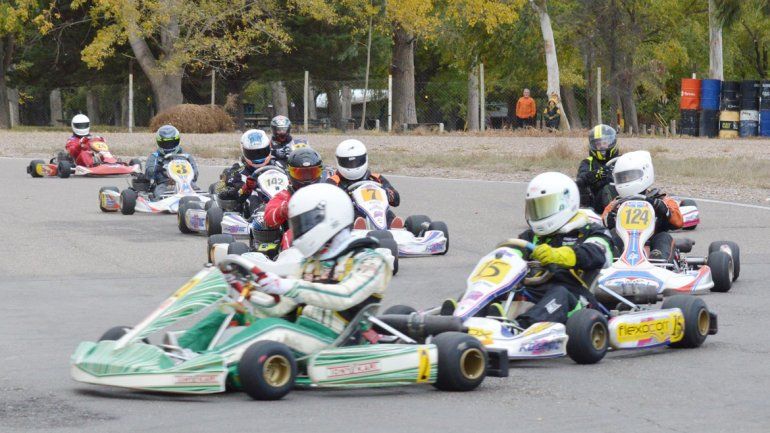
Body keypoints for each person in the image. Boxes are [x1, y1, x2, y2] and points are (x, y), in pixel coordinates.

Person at [178, 183, 392, 356]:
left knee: (274, 329)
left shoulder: (371, 260)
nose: (300, 230)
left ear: (331, 218)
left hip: (333, 340)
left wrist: (288, 286)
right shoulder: (311, 262)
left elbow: (346, 295)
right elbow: (280, 308)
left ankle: (207, 364)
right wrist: (252, 292)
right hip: (301, 329)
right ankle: (177, 353)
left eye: (304, 224)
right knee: (232, 310)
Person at [443, 172, 613, 327]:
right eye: (535, 208)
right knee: (500, 289)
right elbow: (513, 252)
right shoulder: (532, 237)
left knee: (559, 293)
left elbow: (598, 254)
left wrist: (557, 255)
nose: (538, 213)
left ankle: (521, 327)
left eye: (544, 206)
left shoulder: (591, 230)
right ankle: (462, 317)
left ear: (565, 204)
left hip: (576, 298)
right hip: (536, 289)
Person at [602, 150, 683, 261]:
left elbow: (678, 222)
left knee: (664, 237)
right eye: (622, 178)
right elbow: (604, 220)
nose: (626, 180)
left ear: (646, 173)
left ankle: (658, 260)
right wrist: (611, 217)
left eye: (630, 176)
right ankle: (613, 255)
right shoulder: (616, 203)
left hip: (653, 242)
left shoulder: (661, 199)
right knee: (612, 235)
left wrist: (662, 208)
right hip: (625, 242)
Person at [326, 139, 402, 228]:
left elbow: (396, 201)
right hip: (348, 215)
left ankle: (395, 227)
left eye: (356, 162)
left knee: (388, 214)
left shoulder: (376, 178)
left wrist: (388, 193)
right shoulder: (333, 181)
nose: (353, 166)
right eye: (348, 163)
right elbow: (328, 205)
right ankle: (359, 227)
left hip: (376, 211)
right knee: (353, 216)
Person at [263, 147, 323, 232]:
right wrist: (282, 211)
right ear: (289, 173)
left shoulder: (326, 192)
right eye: (301, 174)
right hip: (294, 237)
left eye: (311, 173)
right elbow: (268, 221)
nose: (306, 178)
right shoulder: (284, 196)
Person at [217, 129, 274, 213]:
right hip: (248, 207)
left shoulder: (276, 165)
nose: (258, 157)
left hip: (275, 200)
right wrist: (246, 188)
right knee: (253, 195)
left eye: (262, 152)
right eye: (253, 154)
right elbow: (221, 191)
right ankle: (259, 215)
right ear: (244, 151)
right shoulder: (237, 170)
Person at [144, 124, 199, 197]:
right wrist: (158, 168)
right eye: (165, 143)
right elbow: (148, 174)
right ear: (159, 142)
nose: (169, 146)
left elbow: (195, 174)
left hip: (186, 183)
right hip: (164, 184)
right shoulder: (155, 156)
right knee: (159, 193)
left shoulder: (186, 156)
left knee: (197, 190)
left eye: (171, 143)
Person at [576, 124, 620, 213]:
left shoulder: (621, 160)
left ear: (611, 143)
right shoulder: (588, 162)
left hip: (621, 196)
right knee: (608, 188)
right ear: (593, 145)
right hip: (596, 203)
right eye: (598, 144)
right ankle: (612, 214)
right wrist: (597, 174)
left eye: (605, 143)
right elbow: (581, 180)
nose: (602, 146)